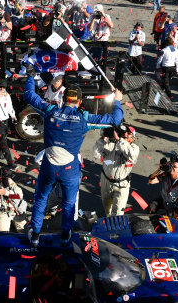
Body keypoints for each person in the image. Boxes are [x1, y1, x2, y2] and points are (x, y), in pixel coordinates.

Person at [23, 68, 123, 247]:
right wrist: (118, 101)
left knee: (40, 198)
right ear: (79, 101)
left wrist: (30, 76)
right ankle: (65, 236)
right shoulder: (84, 119)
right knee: (69, 204)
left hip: (49, 166)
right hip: (69, 170)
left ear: (64, 99)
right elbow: (115, 119)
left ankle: (35, 235)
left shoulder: (51, 110)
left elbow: (29, 96)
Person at [94, 124, 139, 216]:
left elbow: (131, 155)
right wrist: (103, 138)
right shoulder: (110, 144)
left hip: (121, 185)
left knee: (118, 214)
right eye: (124, 132)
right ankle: (108, 224)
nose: (125, 134)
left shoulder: (134, 148)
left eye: (128, 133)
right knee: (107, 210)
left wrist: (120, 140)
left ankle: (115, 229)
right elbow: (96, 155)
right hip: (106, 181)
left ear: (133, 138)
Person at [147, 155, 178, 221]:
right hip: (164, 200)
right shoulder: (166, 174)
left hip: (175, 206)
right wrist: (159, 169)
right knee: (151, 207)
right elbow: (151, 181)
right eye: (172, 165)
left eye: (175, 167)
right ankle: (154, 222)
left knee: (173, 222)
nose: (172, 167)